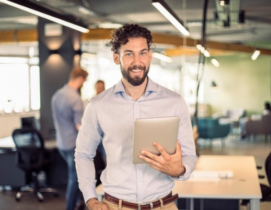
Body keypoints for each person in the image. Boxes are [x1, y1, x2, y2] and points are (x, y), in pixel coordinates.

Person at [75, 24, 197, 210]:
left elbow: (189, 154)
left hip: (163, 205)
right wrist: (90, 199)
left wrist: (179, 170)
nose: (137, 61)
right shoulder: (98, 105)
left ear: (149, 56)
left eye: (142, 53)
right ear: (117, 58)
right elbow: (83, 154)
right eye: (129, 53)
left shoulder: (174, 102)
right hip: (116, 206)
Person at [52, 67, 88, 210]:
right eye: (83, 81)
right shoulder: (75, 98)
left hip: (61, 143)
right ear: (80, 79)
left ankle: (79, 202)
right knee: (74, 178)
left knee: (77, 175)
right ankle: (69, 207)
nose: (83, 84)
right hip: (73, 144)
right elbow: (78, 126)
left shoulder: (57, 95)